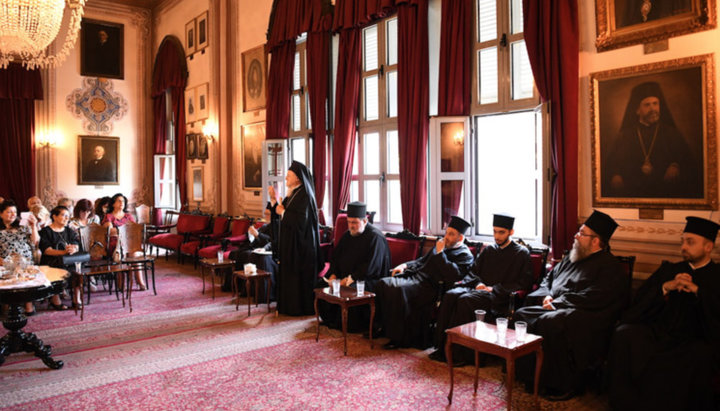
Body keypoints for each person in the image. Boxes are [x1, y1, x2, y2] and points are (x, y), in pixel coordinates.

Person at [513, 210, 629, 400]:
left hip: (587, 316)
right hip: (557, 307)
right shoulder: (572, 257)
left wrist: (558, 302)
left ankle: (562, 384)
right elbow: (548, 280)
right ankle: (530, 376)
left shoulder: (609, 266)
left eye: (582, 233)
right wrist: (548, 296)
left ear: (595, 241)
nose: (576, 235)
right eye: (578, 231)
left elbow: (595, 297)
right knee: (522, 315)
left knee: (551, 323)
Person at [608, 216, 720, 410]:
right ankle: (625, 403)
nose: (684, 246)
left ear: (708, 247)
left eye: (690, 242)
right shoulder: (670, 269)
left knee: (698, 356)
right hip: (662, 330)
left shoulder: (717, 275)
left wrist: (697, 291)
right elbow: (640, 303)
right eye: (682, 241)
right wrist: (666, 287)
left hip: (697, 337)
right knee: (625, 333)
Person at [430, 213, 533, 363]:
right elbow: (474, 272)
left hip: (498, 296)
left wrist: (494, 289)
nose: (496, 236)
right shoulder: (489, 250)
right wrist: (478, 283)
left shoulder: (521, 253)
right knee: (451, 295)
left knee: (466, 300)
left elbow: (524, 283)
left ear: (511, 232)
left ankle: (462, 355)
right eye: (494, 231)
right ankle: (442, 347)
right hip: (478, 289)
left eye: (501, 232)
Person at [375, 216, 475, 349]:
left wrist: (440, 254)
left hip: (432, 287)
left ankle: (399, 338)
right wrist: (405, 265)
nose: (446, 237)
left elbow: (453, 274)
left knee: (398, 289)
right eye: (447, 233)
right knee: (383, 284)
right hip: (417, 277)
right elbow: (422, 261)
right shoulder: (441, 245)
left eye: (451, 234)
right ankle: (383, 328)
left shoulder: (465, 255)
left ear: (460, 238)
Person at [603, 81, 701, 198]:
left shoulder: (671, 133)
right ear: (637, 110)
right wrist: (615, 175)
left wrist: (676, 166)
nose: (653, 108)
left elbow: (688, 161)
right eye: (647, 105)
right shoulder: (625, 135)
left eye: (655, 103)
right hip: (633, 193)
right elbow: (612, 164)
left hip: (666, 192)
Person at [318, 201, 391, 331]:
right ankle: (331, 320)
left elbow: (371, 266)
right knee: (320, 284)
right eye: (349, 222)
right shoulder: (348, 235)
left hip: (368, 280)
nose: (351, 226)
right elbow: (336, 258)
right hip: (345, 277)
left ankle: (351, 326)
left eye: (354, 222)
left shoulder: (375, 237)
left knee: (350, 289)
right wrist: (333, 274)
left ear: (364, 221)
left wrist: (350, 279)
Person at [271, 161, 322, 316]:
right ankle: (287, 307)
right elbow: (280, 212)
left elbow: (300, 221)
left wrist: (282, 212)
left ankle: (299, 309)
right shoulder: (292, 193)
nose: (285, 178)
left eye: (289, 176)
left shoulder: (305, 195)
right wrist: (273, 201)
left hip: (302, 247)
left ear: (298, 178)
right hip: (291, 245)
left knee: (298, 279)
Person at [224, 203, 278, 297]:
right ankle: (232, 285)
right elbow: (253, 238)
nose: (266, 216)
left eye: (268, 214)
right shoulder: (265, 225)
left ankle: (246, 289)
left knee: (247, 255)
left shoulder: (276, 226)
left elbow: (271, 241)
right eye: (265, 213)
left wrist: (257, 235)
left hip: (264, 250)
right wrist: (251, 234)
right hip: (255, 246)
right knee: (234, 253)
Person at [0, 200, 41, 315]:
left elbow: (35, 242)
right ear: (1, 214)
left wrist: (33, 227)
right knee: (8, 276)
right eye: (9, 212)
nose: (13, 214)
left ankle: (29, 305)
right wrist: (2, 262)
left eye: (15, 212)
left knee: (26, 274)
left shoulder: (22, 226)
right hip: (6, 262)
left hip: (25, 260)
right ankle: (7, 307)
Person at [39, 206, 82, 309]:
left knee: (78, 267)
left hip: (68, 259)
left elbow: (76, 243)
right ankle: (55, 299)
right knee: (57, 267)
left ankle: (77, 298)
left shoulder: (69, 231)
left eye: (68, 216)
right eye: (63, 215)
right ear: (54, 216)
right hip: (52, 259)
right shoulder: (45, 231)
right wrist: (63, 252)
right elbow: (47, 250)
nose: (66, 218)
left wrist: (74, 249)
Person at [102, 193, 146, 290]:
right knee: (122, 252)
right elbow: (110, 232)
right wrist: (125, 231)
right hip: (114, 244)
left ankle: (140, 281)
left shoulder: (128, 216)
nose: (122, 202)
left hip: (128, 243)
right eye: (119, 200)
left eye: (123, 201)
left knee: (134, 253)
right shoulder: (108, 216)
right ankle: (121, 283)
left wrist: (119, 230)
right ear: (113, 204)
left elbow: (135, 231)